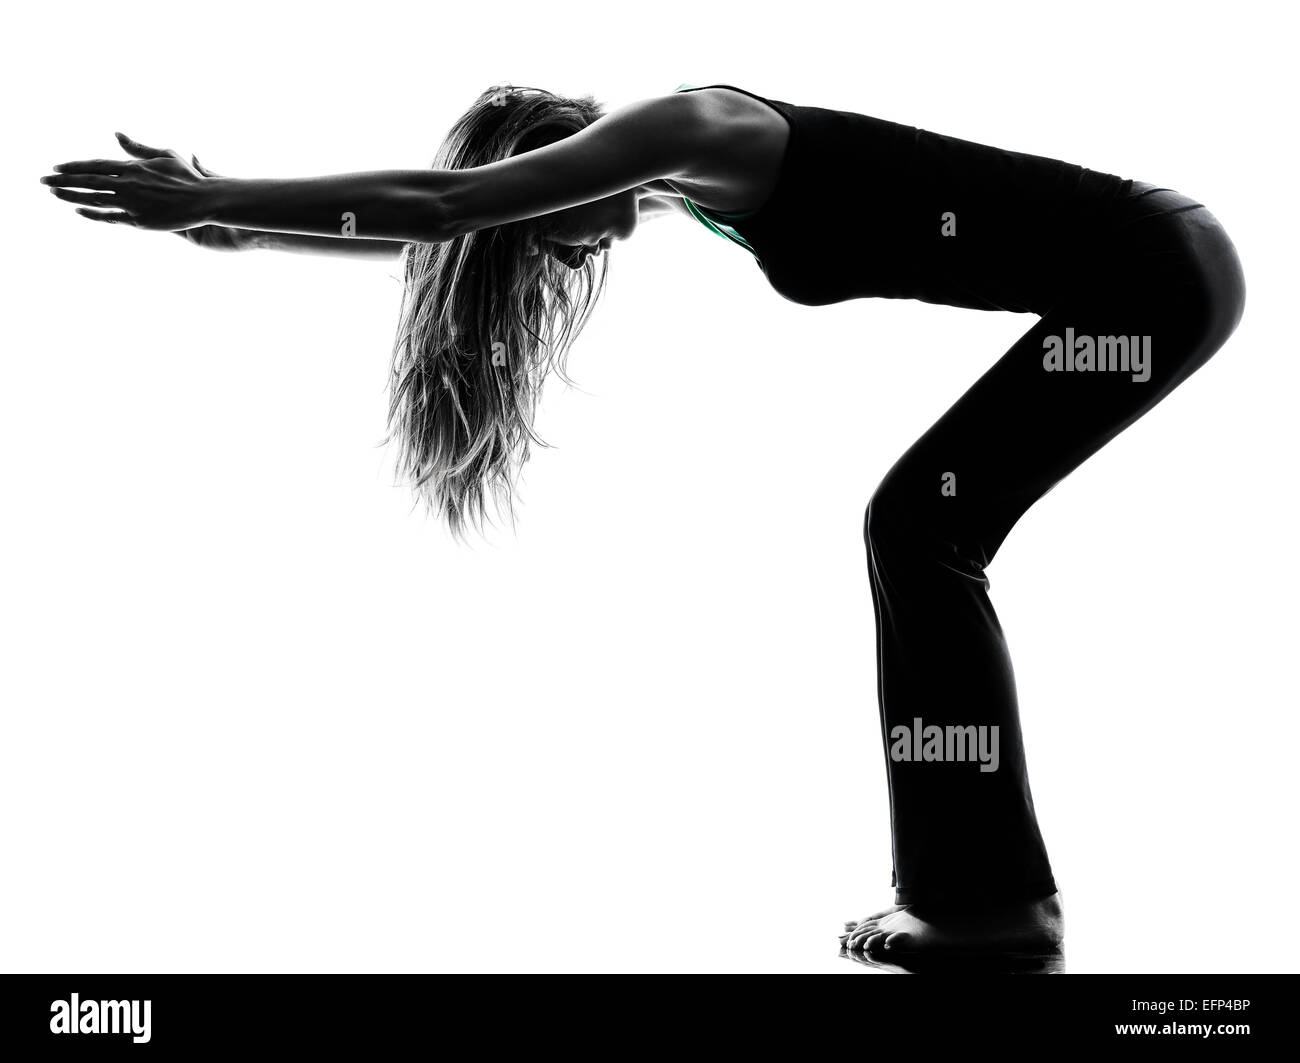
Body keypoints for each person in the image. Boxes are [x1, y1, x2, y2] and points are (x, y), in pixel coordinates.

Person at [41, 83, 1246, 958]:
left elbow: (443, 205)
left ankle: (987, 905)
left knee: (916, 532)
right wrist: (247, 233)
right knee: (917, 531)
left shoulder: (697, 126)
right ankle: (982, 898)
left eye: (539, 216)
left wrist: (217, 192)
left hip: (1151, 273)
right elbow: (444, 220)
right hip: (1150, 278)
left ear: (558, 161)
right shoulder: (683, 184)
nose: (559, 261)